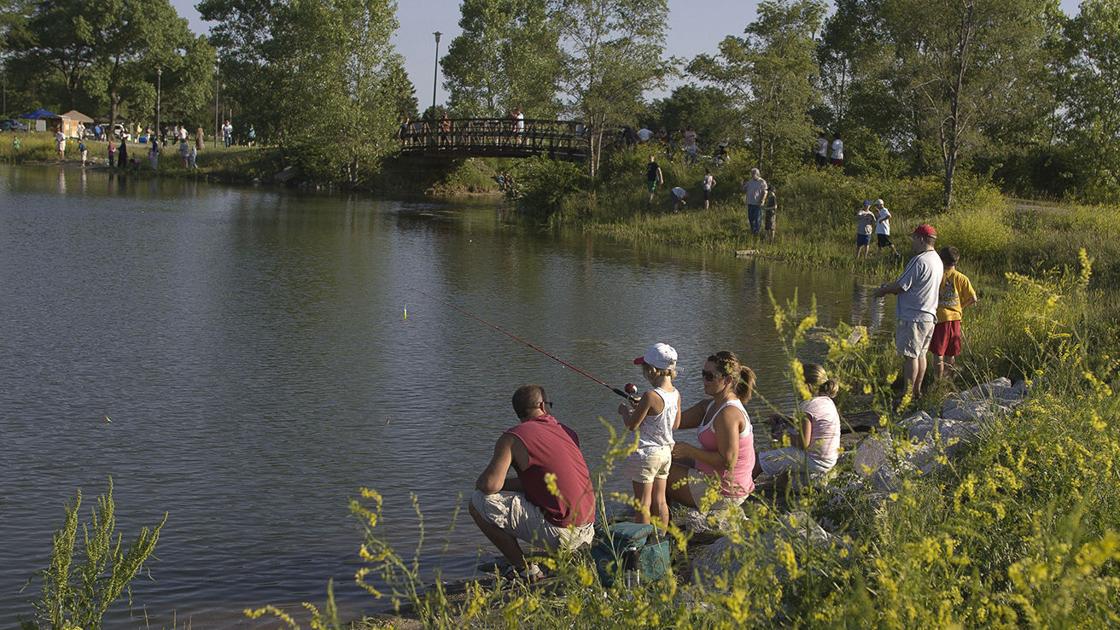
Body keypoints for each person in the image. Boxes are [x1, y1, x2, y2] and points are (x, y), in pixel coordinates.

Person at [471, 385, 596, 582]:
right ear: (542, 406)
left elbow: (489, 486)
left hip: (562, 533)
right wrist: (505, 485)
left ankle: (525, 570)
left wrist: (480, 482)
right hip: (588, 528)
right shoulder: (567, 431)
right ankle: (562, 555)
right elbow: (548, 479)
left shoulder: (512, 438)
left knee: (478, 502)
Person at [667, 351, 756, 511]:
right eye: (703, 374)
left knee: (657, 471)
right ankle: (666, 519)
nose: (704, 380)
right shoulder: (709, 405)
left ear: (728, 380)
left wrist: (689, 451)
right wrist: (649, 407)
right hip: (714, 477)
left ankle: (660, 527)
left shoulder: (728, 414)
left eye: (710, 376)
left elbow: (727, 462)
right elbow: (674, 421)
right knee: (663, 458)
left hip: (726, 492)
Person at [873, 224, 944, 400]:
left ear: (921, 239)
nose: (912, 242)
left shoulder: (919, 260)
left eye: (913, 238)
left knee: (910, 356)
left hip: (913, 317)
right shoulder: (937, 260)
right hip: (929, 316)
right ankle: (916, 392)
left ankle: (907, 395)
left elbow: (901, 286)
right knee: (920, 355)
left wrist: (883, 291)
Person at [617, 343, 681, 527]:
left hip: (647, 455)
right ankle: (660, 538)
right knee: (660, 501)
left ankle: (642, 543)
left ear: (653, 370)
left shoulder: (650, 395)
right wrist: (644, 409)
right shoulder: (676, 394)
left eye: (645, 369)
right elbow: (674, 424)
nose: (644, 373)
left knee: (642, 504)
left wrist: (624, 411)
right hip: (665, 453)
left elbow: (632, 425)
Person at [755, 364, 841, 482]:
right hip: (828, 460)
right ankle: (783, 478)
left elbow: (803, 442)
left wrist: (783, 437)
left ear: (808, 386)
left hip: (815, 462)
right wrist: (785, 419)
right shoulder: (826, 402)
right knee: (786, 428)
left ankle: (739, 492)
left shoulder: (808, 406)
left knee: (760, 460)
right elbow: (810, 425)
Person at [932, 246, 979, 379]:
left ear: (940, 260)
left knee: (938, 353)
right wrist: (960, 307)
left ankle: (938, 381)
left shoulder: (937, 275)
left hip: (940, 319)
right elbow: (973, 298)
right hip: (955, 318)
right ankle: (948, 379)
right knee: (950, 353)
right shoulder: (961, 278)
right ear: (956, 261)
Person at [742, 168, 768, 236]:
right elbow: (744, 189)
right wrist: (742, 184)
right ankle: (752, 230)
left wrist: (762, 200)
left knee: (757, 219)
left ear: (757, 174)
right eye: (752, 173)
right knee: (750, 218)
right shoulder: (750, 182)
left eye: (754, 173)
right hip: (750, 202)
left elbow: (765, 191)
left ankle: (757, 232)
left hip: (757, 203)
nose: (752, 175)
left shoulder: (762, 181)